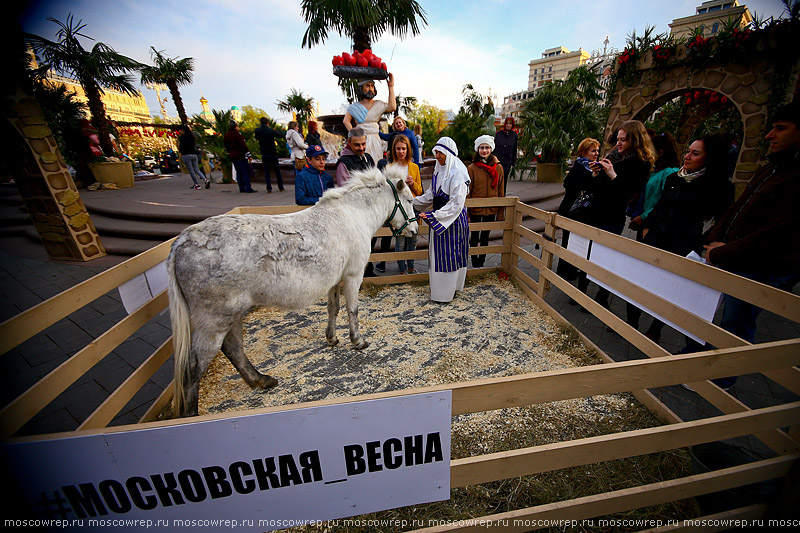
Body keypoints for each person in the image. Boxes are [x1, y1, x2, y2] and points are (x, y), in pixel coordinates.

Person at [698, 102, 800, 387]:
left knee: (736, 323)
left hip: (759, 267)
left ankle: (721, 379)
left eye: (780, 128)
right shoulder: (770, 169)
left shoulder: (795, 177)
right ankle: (704, 364)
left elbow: (777, 233)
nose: (770, 135)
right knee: (715, 315)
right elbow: (736, 208)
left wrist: (722, 251)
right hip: (731, 257)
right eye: (771, 127)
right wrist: (712, 242)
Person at [633, 135, 733, 341]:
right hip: (656, 237)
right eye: (688, 151)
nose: (687, 157)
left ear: (710, 158)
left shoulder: (719, 186)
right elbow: (660, 207)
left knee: (670, 289)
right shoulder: (674, 178)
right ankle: (631, 322)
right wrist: (647, 227)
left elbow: (722, 220)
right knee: (641, 279)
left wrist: (704, 244)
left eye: (695, 153)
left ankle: (656, 327)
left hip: (683, 243)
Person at [577, 120, 655, 309]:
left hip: (613, 215)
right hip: (594, 211)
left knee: (606, 258)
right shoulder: (613, 156)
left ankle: (602, 296)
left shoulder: (640, 163)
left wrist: (612, 174)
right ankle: (580, 293)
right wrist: (596, 174)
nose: (619, 143)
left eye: (624, 140)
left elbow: (626, 193)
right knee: (587, 253)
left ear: (635, 140)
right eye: (618, 139)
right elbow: (596, 188)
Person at [414, 137, 470, 302]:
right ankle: (439, 291)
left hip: (452, 221)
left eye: (440, 152)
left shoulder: (458, 173)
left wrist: (434, 215)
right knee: (438, 257)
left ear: (449, 153)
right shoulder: (439, 170)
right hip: (440, 218)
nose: (437, 156)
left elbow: (456, 203)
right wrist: (413, 203)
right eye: (436, 152)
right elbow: (431, 195)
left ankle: (448, 292)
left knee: (450, 257)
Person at [556, 137, 600, 280]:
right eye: (593, 151)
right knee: (568, 241)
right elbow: (571, 185)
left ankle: (570, 269)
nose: (596, 153)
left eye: (597, 151)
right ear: (584, 152)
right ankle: (565, 271)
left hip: (579, 210)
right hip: (572, 209)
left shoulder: (590, 167)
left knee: (575, 241)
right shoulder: (580, 168)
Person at [337, 127, 379, 276]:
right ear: (349, 143)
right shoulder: (343, 163)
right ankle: (357, 273)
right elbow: (346, 190)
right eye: (357, 145)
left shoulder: (368, 157)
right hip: (355, 212)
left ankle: (368, 268)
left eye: (363, 144)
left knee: (370, 243)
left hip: (369, 211)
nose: (361, 148)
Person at [379, 134, 423, 274]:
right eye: (398, 149)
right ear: (394, 150)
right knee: (400, 241)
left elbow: (420, 190)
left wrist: (413, 183)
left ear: (408, 149)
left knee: (413, 239)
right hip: (398, 210)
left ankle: (411, 266)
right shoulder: (390, 168)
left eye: (403, 148)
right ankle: (402, 269)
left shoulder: (414, 167)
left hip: (412, 207)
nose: (401, 151)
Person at [467, 134, 505, 268]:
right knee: (475, 236)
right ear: (478, 149)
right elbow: (468, 191)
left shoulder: (498, 168)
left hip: (491, 209)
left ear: (491, 149)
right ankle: (474, 260)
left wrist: (500, 212)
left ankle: (481, 262)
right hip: (476, 209)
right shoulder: (472, 168)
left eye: (487, 147)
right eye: (482, 148)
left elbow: (501, 190)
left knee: (485, 237)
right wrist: (467, 212)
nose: (485, 150)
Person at [343, 75, 396, 164]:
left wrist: (391, 87)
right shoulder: (354, 107)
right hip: (362, 141)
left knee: (376, 163)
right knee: (363, 164)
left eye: (372, 86)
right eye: (367, 86)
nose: (370, 89)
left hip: (375, 139)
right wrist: (355, 135)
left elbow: (392, 106)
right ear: (361, 88)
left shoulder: (378, 104)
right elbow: (346, 121)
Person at [223, 120, 255, 193]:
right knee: (244, 172)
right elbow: (243, 145)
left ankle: (241, 187)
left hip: (233, 156)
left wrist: (229, 153)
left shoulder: (227, 135)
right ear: (235, 127)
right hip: (241, 155)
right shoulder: (238, 134)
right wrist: (249, 155)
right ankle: (248, 187)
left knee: (238, 172)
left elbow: (226, 145)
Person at [254, 117, 285, 193]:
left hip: (264, 152)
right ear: (267, 123)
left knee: (267, 171)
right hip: (272, 152)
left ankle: (269, 188)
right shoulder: (270, 131)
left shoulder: (257, 131)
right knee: (277, 171)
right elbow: (281, 135)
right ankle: (280, 187)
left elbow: (256, 138)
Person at [178, 125, 210, 190]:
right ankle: (205, 179)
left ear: (182, 130)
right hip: (194, 154)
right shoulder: (192, 137)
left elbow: (181, 147)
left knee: (191, 170)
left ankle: (196, 184)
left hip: (186, 155)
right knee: (197, 169)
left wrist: (181, 152)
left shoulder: (182, 137)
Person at [494, 117, 518, 194]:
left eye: (510, 124)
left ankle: (502, 195)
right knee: (496, 178)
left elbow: (514, 149)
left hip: (507, 161)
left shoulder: (514, 135)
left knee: (504, 180)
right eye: (507, 123)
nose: (508, 125)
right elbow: (494, 147)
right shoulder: (499, 134)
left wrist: (513, 162)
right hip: (497, 161)